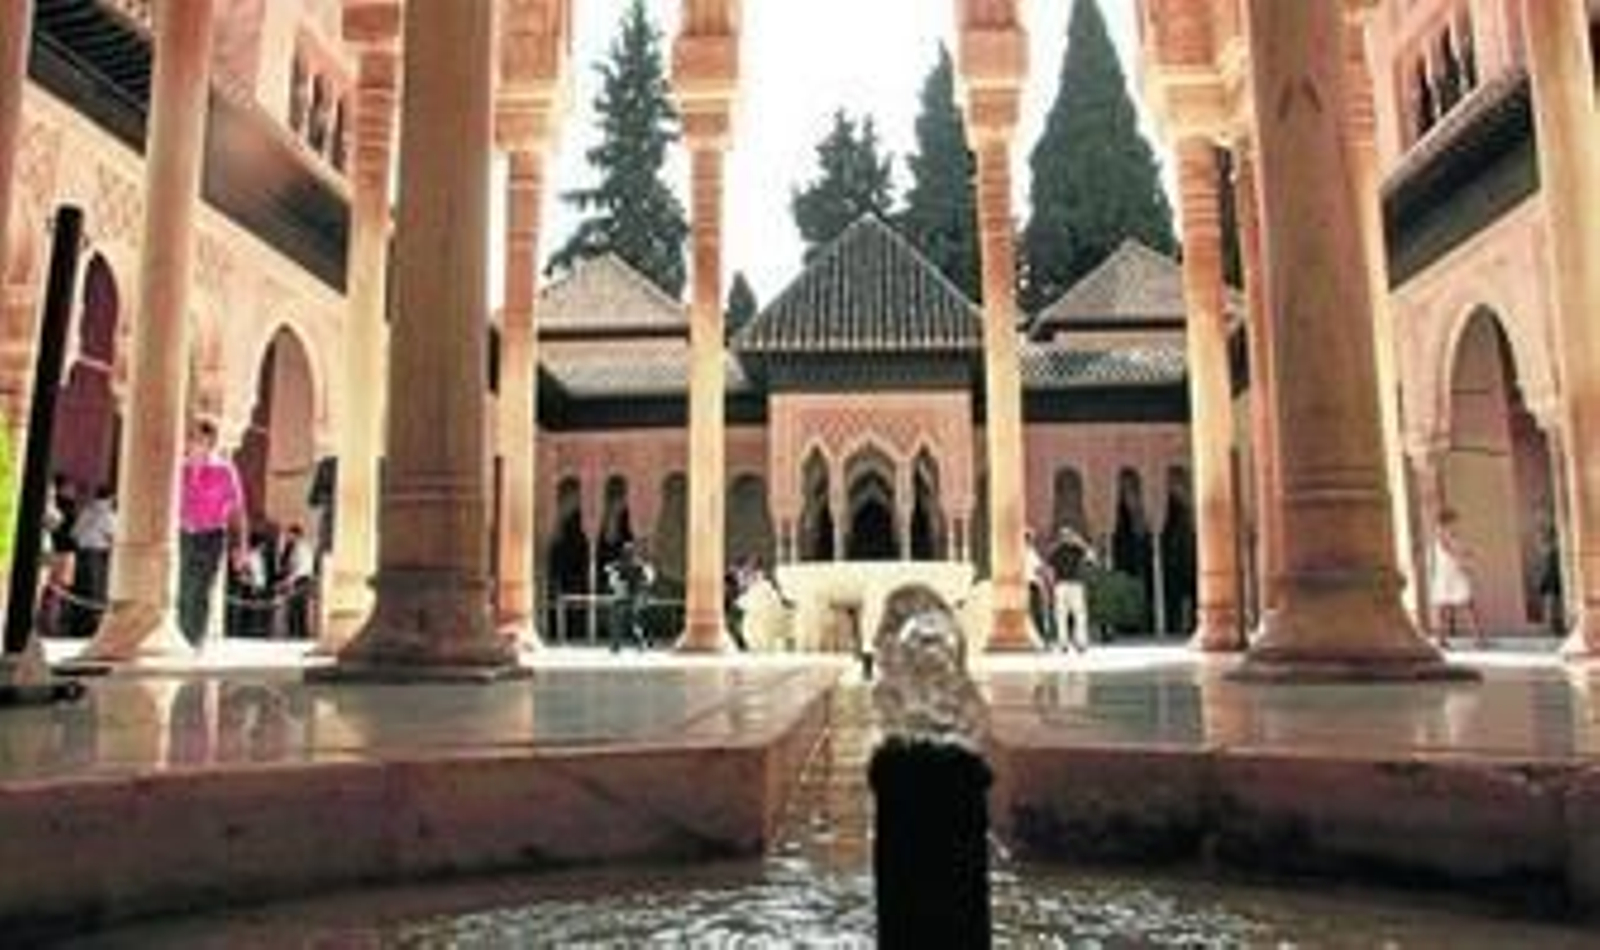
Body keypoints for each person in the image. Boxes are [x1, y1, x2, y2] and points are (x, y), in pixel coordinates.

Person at [178, 420, 248, 650]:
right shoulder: (180, 469)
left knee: (202, 588)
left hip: (212, 535)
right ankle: (181, 636)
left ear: (210, 443)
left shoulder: (224, 470)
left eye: (200, 440)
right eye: (192, 439)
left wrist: (241, 547)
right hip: (184, 534)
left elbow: (238, 510)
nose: (194, 445)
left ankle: (194, 640)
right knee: (183, 587)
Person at [1429, 508, 1484, 649]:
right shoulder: (1441, 536)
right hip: (1447, 574)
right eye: (1453, 521)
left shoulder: (1453, 535)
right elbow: (1452, 551)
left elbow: (1460, 548)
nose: (1456, 524)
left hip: (1454, 573)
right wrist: (1465, 562)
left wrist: (1470, 552)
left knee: (1468, 604)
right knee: (1443, 608)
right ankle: (1441, 639)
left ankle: (1478, 638)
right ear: (1445, 523)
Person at [67, 486, 116, 637]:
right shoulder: (107, 514)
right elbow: (113, 537)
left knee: (81, 588)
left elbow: (74, 533)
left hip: (82, 553)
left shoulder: (86, 511)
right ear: (111, 499)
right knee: (96, 591)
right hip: (98, 555)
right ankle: (92, 628)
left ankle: (78, 626)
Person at [1051, 524, 1097, 653]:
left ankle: (1068, 643)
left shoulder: (1061, 549)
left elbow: (1091, 558)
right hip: (1070, 585)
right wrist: (1082, 543)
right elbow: (1092, 558)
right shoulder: (1073, 549)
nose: (1066, 538)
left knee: (1067, 615)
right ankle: (1075, 643)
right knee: (1075, 614)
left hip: (1067, 585)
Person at [606, 540, 654, 652]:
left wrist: (616, 580)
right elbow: (648, 579)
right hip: (635, 598)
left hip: (624, 597)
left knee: (619, 622)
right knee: (634, 622)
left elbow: (610, 571)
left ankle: (616, 645)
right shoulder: (638, 565)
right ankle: (639, 643)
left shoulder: (621, 565)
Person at [274, 523, 316, 640]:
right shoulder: (295, 548)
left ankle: (300, 634)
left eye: (289, 535)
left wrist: (291, 579)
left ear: (295, 535)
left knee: (299, 609)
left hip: (301, 580)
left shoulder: (303, 548)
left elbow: (303, 567)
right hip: (296, 580)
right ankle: (294, 633)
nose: (288, 537)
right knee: (293, 609)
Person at [1024, 528, 1058, 648]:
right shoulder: (1029, 552)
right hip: (1030, 586)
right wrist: (1048, 576)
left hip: (1029, 586)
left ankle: (1042, 640)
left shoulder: (1028, 552)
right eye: (1031, 538)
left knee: (1035, 614)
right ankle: (1043, 640)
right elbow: (1039, 569)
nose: (1032, 540)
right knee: (1036, 614)